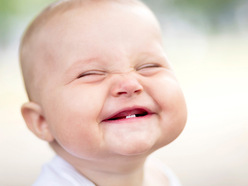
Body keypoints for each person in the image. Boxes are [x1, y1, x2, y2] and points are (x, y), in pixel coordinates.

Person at [19, 0, 187, 185]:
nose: (129, 83)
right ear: (42, 121)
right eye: (90, 73)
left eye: (149, 66)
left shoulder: (161, 176)